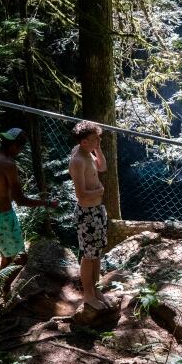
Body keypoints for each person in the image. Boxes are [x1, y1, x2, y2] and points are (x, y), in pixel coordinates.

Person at [0, 128, 58, 306]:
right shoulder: (9, 164)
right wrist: (46, 203)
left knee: (6, 258)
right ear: (15, 146)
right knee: (21, 258)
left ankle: (4, 293)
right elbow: (21, 200)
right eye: (20, 148)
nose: (19, 152)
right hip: (4, 219)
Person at [68, 121, 110, 311]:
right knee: (88, 256)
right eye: (95, 139)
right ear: (84, 142)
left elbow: (102, 168)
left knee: (97, 254)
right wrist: (99, 191)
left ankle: (96, 289)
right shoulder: (77, 160)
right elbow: (81, 193)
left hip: (98, 211)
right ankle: (88, 296)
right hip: (87, 214)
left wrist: (98, 149)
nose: (98, 141)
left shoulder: (87, 151)